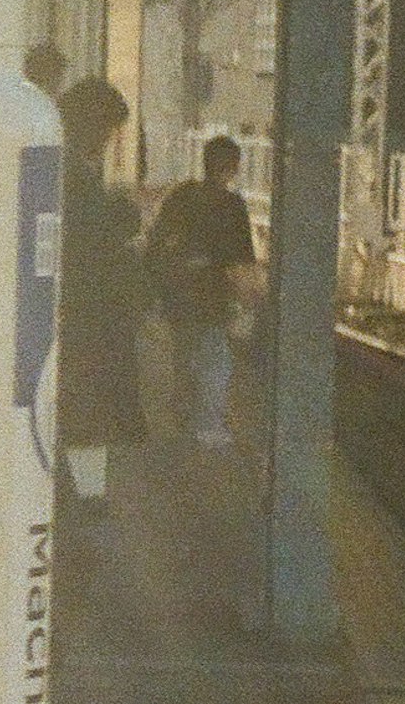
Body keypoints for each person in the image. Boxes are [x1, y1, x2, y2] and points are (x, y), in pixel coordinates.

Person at [55, 79, 152, 509]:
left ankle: (85, 495)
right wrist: (126, 223)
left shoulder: (69, 169)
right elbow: (91, 242)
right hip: (87, 318)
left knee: (83, 411)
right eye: (112, 130)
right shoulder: (73, 176)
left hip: (80, 315)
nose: (113, 141)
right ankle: (88, 500)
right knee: (88, 411)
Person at [144, 134, 261, 448]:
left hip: (177, 297)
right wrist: (248, 302)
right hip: (211, 299)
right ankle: (207, 429)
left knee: (184, 356)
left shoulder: (181, 196)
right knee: (215, 360)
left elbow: (155, 243)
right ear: (234, 167)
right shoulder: (232, 205)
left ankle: (182, 416)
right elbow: (238, 263)